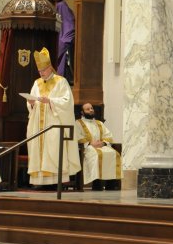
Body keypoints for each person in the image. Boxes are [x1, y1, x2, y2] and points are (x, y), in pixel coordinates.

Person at [26, 47, 81, 188]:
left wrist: (50, 101)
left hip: (54, 123)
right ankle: (39, 181)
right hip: (38, 124)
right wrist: (31, 103)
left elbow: (67, 102)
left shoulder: (61, 81)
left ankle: (56, 182)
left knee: (54, 150)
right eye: (39, 71)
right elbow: (32, 101)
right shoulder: (36, 83)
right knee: (38, 151)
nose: (41, 73)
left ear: (50, 67)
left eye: (43, 70)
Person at [75, 102, 121, 190]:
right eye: (87, 109)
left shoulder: (99, 123)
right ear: (82, 112)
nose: (91, 110)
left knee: (113, 153)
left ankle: (111, 184)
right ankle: (97, 184)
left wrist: (103, 143)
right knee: (96, 155)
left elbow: (108, 135)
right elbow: (77, 136)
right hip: (87, 147)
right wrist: (90, 143)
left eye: (91, 108)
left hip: (102, 145)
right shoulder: (78, 123)